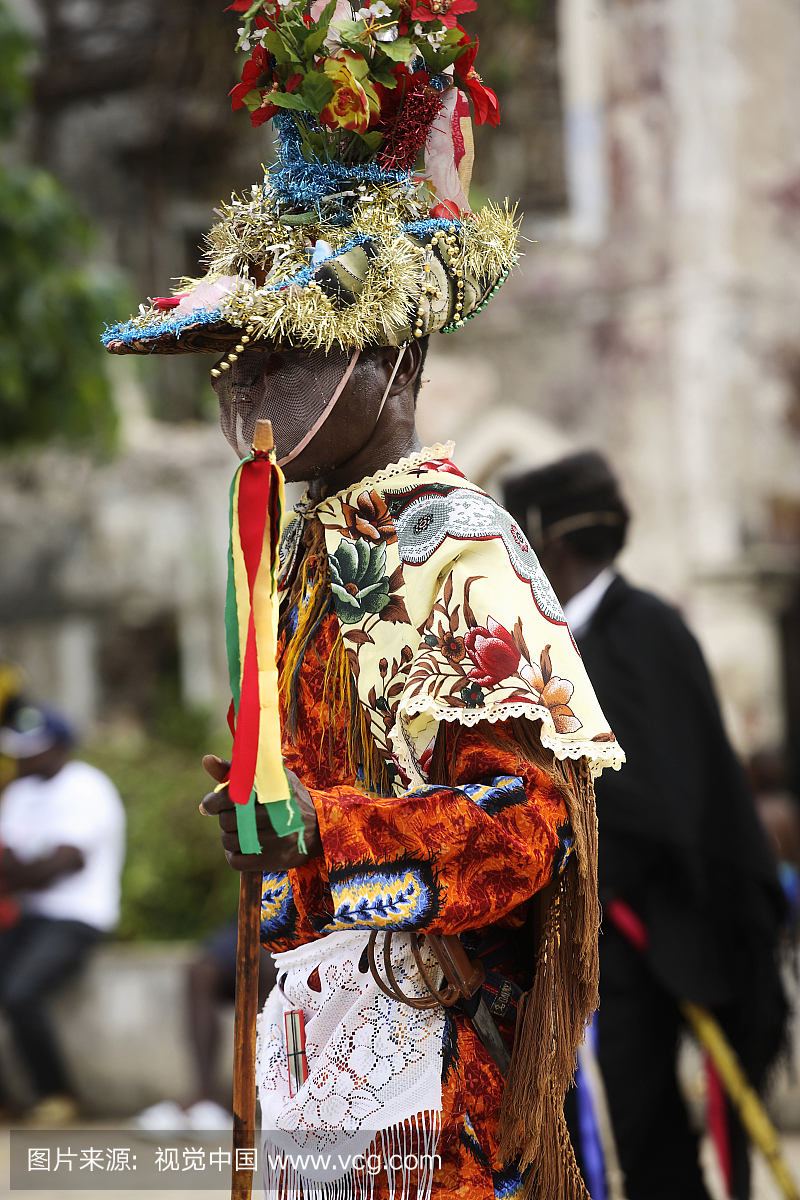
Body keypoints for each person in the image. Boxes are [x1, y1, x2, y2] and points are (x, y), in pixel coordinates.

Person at [102, 4, 624, 1196]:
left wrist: (325, 837)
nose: (249, 397)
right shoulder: (292, 548)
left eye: (286, 353)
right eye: (236, 364)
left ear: (394, 355)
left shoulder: (460, 552)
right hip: (318, 1058)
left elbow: (519, 835)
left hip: (439, 1091)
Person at [503, 452, 788, 1200]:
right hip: (610, 932)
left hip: (659, 929)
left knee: (641, 1133)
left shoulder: (640, 630)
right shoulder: (566, 641)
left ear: (551, 545)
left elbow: (658, 797)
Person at [0, 705, 126, 1125]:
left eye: (31, 750)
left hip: (79, 916)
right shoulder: (19, 793)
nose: (22, 758)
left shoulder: (87, 787)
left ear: (58, 747)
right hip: (30, 915)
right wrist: (26, 871)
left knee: (20, 993)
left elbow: (63, 864)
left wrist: (22, 871)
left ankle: (58, 1094)